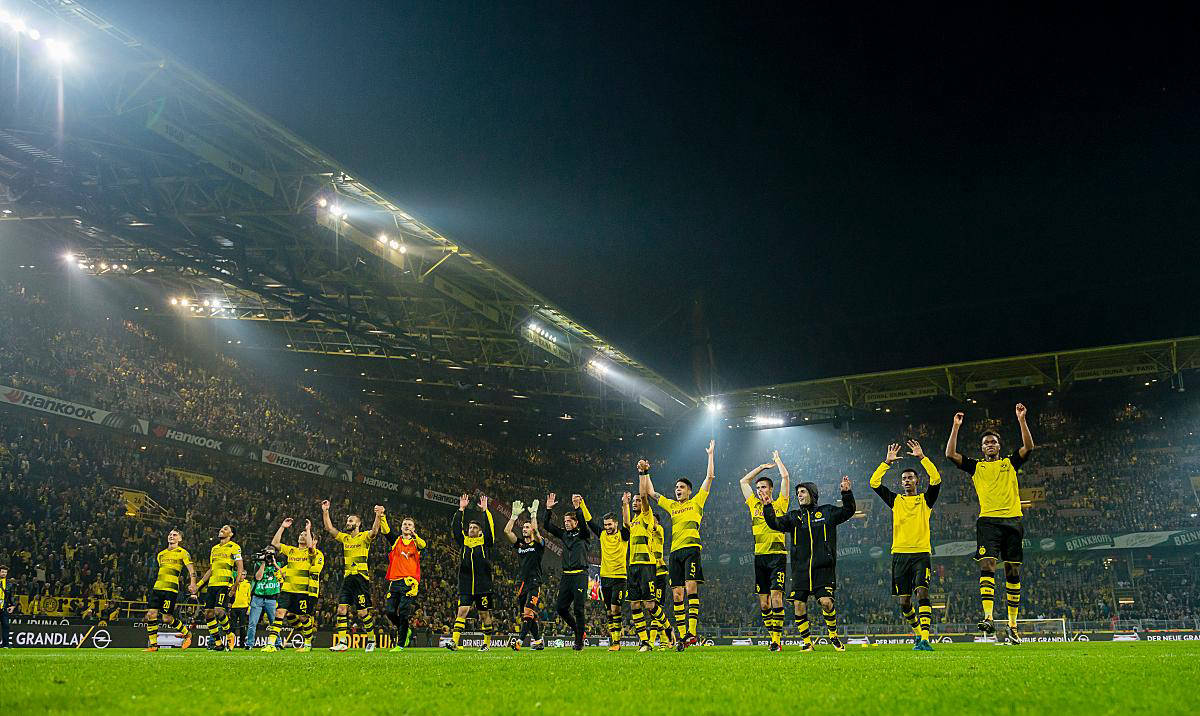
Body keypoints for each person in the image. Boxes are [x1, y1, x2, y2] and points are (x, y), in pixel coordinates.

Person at [945, 403, 1035, 645]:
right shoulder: (976, 466)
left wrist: (1021, 420)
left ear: (999, 446)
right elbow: (950, 454)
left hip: (1013, 521)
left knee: (1013, 571)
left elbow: (1028, 447)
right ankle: (988, 617)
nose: (990, 445)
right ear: (982, 448)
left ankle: (1013, 626)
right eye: (986, 443)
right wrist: (955, 427)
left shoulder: (1010, 463)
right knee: (987, 563)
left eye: (993, 442)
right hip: (988, 521)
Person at [763, 476, 855, 652]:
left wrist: (846, 493)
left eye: (803, 491)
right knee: (798, 604)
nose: (799, 495)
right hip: (801, 569)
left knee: (826, 602)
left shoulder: (827, 512)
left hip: (823, 568)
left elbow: (848, 511)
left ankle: (833, 636)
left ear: (812, 494)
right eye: (797, 493)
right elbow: (774, 523)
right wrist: (768, 506)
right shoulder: (793, 517)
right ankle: (807, 642)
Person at [641, 439, 715, 650]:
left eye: (681, 487)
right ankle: (682, 636)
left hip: (692, 550)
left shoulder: (697, 501)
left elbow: (709, 477)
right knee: (676, 595)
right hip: (674, 553)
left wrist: (710, 455)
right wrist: (645, 473)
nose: (677, 490)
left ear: (689, 491)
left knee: (691, 588)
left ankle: (692, 632)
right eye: (676, 487)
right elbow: (651, 493)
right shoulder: (672, 506)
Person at [870, 440, 941, 652]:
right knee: (904, 603)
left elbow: (936, 479)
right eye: (904, 478)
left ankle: (926, 638)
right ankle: (919, 634)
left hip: (921, 554)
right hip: (899, 555)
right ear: (901, 483)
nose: (907, 480)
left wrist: (922, 458)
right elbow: (874, 483)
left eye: (910, 477)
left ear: (917, 481)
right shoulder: (896, 501)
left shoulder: (925, 500)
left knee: (923, 592)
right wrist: (886, 463)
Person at [739, 451, 790, 651]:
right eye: (758, 487)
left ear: (771, 489)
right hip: (760, 557)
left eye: (763, 487)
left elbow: (785, 477)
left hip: (777, 556)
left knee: (776, 597)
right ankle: (773, 637)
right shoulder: (753, 505)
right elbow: (744, 481)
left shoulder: (780, 503)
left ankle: (776, 641)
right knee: (764, 604)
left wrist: (777, 461)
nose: (760, 490)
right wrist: (761, 467)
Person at [321, 500, 383, 652]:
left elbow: (374, 531)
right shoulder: (345, 538)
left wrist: (378, 515)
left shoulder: (364, 537)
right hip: (348, 578)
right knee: (341, 610)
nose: (348, 522)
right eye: (348, 520)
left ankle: (371, 639)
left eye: (351, 520)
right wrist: (325, 510)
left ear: (358, 524)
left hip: (360, 579)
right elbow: (329, 528)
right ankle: (342, 642)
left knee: (362, 613)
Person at [626, 461, 673, 652]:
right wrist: (624, 504)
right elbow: (625, 522)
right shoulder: (634, 522)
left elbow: (645, 495)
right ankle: (645, 642)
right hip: (632, 566)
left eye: (637, 500)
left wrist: (643, 473)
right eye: (634, 501)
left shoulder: (647, 517)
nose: (636, 502)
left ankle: (668, 629)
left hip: (647, 565)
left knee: (650, 604)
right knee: (634, 606)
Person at [539, 492, 591, 651]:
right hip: (567, 576)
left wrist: (578, 507)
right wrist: (548, 510)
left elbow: (583, 522)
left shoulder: (583, 534)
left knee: (579, 608)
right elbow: (547, 526)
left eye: (569, 521)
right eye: (565, 521)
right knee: (561, 608)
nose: (566, 523)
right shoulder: (564, 534)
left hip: (580, 575)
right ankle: (578, 631)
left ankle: (579, 642)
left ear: (576, 522)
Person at [447, 494, 496, 651]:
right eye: (470, 528)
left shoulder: (485, 542)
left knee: (483, 615)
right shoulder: (464, 542)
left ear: (480, 531)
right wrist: (461, 509)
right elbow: (455, 528)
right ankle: (454, 642)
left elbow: (490, 529)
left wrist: (485, 511)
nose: (472, 530)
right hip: (466, 583)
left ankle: (486, 644)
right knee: (462, 611)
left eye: (475, 528)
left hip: (483, 585)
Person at [581, 493, 630, 652]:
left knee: (616, 609)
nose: (607, 527)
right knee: (609, 610)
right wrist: (582, 504)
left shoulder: (623, 536)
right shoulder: (602, 534)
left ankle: (616, 641)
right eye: (606, 525)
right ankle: (614, 639)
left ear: (616, 523)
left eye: (610, 524)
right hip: (605, 577)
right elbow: (589, 522)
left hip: (620, 578)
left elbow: (627, 523)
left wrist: (625, 505)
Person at [267, 518, 323, 653]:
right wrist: (282, 527)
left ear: (313, 540)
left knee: (303, 617)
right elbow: (274, 543)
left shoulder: (314, 553)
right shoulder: (291, 551)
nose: (302, 535)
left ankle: (308, 643)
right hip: (287, 589)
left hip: (303, 591)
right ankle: (270, 644)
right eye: (301, 534)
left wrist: (308, 530)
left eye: (305, 535)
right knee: (280, 613)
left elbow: (310, 548)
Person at [143, 529, 197, 652]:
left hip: (171, 590)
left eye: (175, 535)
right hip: (157, 588)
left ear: (180, 539)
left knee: (166, 618)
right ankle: (153, 645)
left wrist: (193, 583)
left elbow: (191, 570)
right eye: (170, 534)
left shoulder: (183, 553)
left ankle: (187, 633)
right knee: (151, 614)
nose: (171, 536)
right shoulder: (161, 554)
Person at [503, 499, 545, 650]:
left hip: (534, 582)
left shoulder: (539, 544)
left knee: (528, 613)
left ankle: (519, 642)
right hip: (522, 583)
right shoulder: (520, 544)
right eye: (524, 527)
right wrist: (514, 516)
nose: (525, 529)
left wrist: (533, 515)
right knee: (527, 615)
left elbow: (537, 532)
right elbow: (507, 532)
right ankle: (539, 642)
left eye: (527, 527)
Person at [195, 524, 244, 652]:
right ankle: (218, 643)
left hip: (224, 584)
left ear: (231, 534)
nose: (222, 530)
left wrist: (235, 586)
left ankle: (229, 635)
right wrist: (199, 585)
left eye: (225, 529)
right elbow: (211, 569)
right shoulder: (214, 549)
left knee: (219, 611)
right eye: (221, 528)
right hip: (212, 585)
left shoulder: (235, 547)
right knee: (208, 614)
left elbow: (240, 568)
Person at [384, 516, 425, 652]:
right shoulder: (396, 541)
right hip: (395, 582)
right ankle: (405, 630)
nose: (407, 526)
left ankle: (400, 644)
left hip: (409, 583)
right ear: (401, 527)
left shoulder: (415, 543)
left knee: (403, 613)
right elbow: (386, 531)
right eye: (405, 524)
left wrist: (415, 536)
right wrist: (381, 516)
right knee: (389, 611)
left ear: (413, 528)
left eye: (409, 525)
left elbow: (423, 545)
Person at [245, 546, 280, 650]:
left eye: (271, 554)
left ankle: (277, 644)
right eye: (268, 554)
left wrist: (274, 563)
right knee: (252, 623)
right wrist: (264, 562)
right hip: (257, 597)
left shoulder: (278, 565)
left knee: (274, 623)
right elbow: (258, 577)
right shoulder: (258, 564)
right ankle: (249, 644)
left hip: (271, 598)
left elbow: (283, 574)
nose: (269, 556)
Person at [230, 573, 252, 649]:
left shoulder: (248, 584)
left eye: (244, 574)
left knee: (242, 627)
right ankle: (231, 643)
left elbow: (249, 596)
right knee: (232, 626)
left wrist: (249, 608)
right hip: (234, 607)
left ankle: (242, 644)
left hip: (244, 607)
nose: (242, 576)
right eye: (241, 574)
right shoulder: (233, 583)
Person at [1, 565, 12, 649]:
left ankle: (5, 644)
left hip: (3, 608)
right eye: (2, 572)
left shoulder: (8, 584)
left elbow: (10, 596)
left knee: (6, 625)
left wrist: (12, 605)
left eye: (5, 572)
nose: (4, 573)